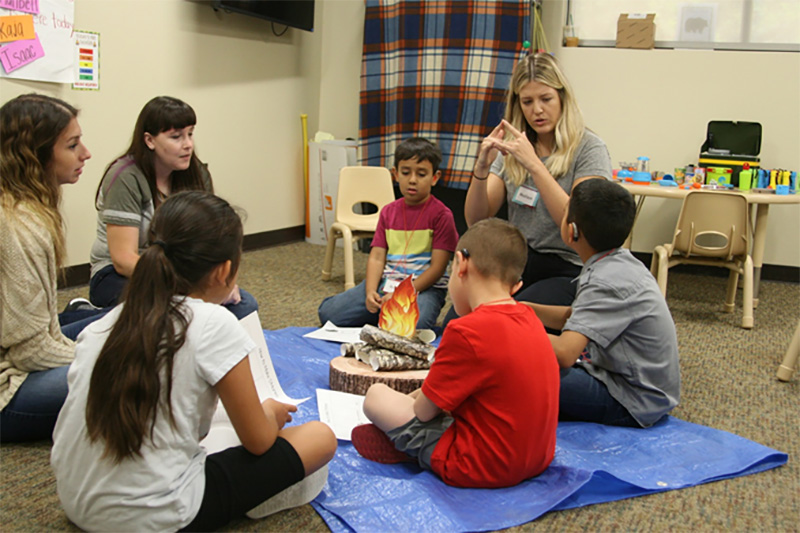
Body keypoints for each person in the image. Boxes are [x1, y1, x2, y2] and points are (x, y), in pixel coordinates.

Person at [51, 191, 337, 531]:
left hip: (74, 501)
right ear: (225, 271)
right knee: (320, 437)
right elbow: (258, 440)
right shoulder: (215, 323)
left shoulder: (106, 324)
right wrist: (271, 414)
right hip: (152, 516)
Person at [351, 218, 559, 488]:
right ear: (516, 285)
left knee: (375, 396)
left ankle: (410, 446)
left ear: (461, 263)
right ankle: (407, 443)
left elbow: (423, 412)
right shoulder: (529, 317)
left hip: (482, 466)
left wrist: (412, 401)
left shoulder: (465, 330)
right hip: (538, 458)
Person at [461, 52, 612, 311]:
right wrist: (482, 167)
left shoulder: (589, 148)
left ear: (562, 98)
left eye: (546, 99)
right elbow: (476, 219)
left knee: (509, 316)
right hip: (518, 261)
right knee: (463, 311)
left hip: (569, 265)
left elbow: (576, 227)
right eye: (527, 102)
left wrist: (534, 164)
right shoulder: (516, 146)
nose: (537, 110)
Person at [526, 179, 680, 428]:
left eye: (565, 211)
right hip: (627, 381)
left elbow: (565, 353)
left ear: (572, 231)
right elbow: (576, 316)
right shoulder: (616, 262)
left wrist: (510, 329)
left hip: (633, 399)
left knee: (523, 369)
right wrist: (523, 309)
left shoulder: (606, 281)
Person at [88, 96, 258, 319]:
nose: (187, 144)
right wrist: (182, 287)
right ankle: (80, 318)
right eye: (176, 137)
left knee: (244, 306)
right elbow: (123, 260)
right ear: (149, 140)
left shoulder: (196, 172)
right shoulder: (126, 177)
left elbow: (209, 241)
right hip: (119, 275)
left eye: (190, 134)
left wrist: (220, 285)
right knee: (162, 313)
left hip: (180, 272)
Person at [1, 94, 108, 443]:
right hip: (9, 388)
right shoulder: (19, 226)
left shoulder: (25, 205)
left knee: (130, 318)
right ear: (36, 155)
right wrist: (112, 355)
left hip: (27, 343)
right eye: (73, 145)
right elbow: (30, 353)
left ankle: (81, 319)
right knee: (137, 374)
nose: (86, 153)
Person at [317, 137, 459, 330]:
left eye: (422, 174)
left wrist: (402, 293)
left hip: (423, 288)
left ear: (434, 177)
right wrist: (369, 292)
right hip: (387, 282)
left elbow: (437, 269)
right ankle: (385, 312)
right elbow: (376, 257)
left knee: (416, 325)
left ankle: (388, 315)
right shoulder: (388, 212)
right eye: (406, 172)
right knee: (329, 314)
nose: (412, 180)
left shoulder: (442, 215)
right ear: (395, 174)